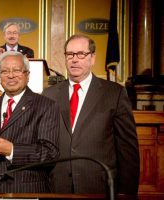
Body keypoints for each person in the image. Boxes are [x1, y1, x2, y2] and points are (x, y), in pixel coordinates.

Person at [42, 34, 140, 195]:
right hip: (57, 187)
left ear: (92, 58)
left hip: (98, 186)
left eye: (81, 54)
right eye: (70, 54)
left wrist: (126, 194)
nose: (75, 59)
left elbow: (127, 150)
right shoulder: (49, 95)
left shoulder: (114, 93)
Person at [0, 51, 59, 193]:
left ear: (27, 75)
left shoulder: (46, 106)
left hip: (26, 189)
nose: (10, 75)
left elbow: (50, 153)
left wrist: (13, 151)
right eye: (4, 71)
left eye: (16, 70)